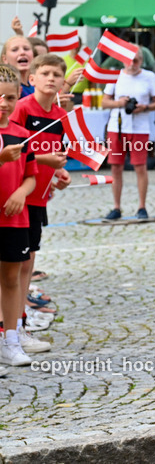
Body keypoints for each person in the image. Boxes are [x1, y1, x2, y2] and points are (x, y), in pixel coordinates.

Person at [9, 55, 71, 356]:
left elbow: (55, 154)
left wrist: (58, 172)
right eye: (44, 73)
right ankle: (12, 327)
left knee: (28, 263)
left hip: (39, 197)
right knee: (14, 265)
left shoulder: (60, 115)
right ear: (31, 78)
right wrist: (43, 161)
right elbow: (15, 150)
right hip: (16, 197)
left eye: (56, 74)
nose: (51, 78)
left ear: (62, 81)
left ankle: (19, 325)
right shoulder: (21, 108)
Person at [0, 64, 36, 368]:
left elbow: (31, 176)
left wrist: (21, 192)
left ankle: (10, 338)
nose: (3, 103)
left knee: (11, 278)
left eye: (10, 97)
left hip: (14, 218)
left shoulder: (22, 135)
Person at [102, 52, 155, 220]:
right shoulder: (115, 75)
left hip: (140, 128)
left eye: (136, 60)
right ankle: (116, 206)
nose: (132, 63)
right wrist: (119, 103)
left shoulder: (149, 77)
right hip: (117, 126)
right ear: (123, 60)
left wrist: (145, 107)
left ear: (141, 61)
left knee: (140, 166)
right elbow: (104, 102)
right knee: (116, 167)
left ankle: (142, 206)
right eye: (129, 60)